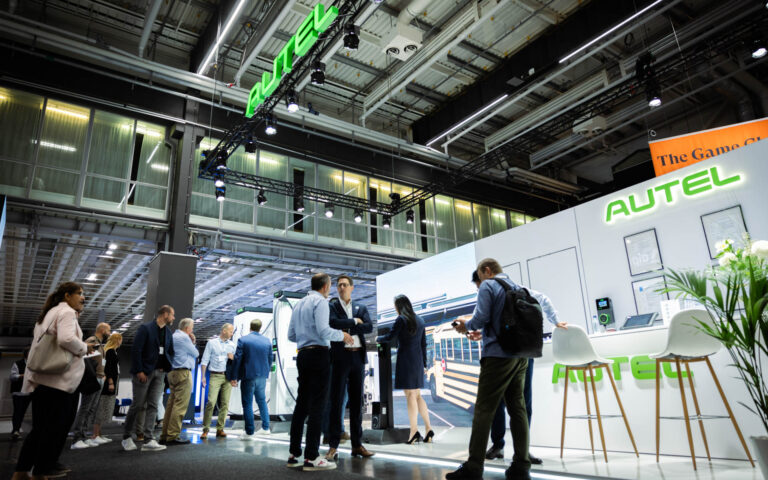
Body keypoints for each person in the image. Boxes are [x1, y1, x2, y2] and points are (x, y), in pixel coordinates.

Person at [448, 258, 548, 480]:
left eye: (479, 277)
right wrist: (483, 331)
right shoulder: (517, 287)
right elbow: (500, 321)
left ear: (486, 270)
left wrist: (466, 325)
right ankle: (521, 466)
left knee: (484, 409)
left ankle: (474, 468)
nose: (479, 284)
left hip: (497, 357)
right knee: (518, 409)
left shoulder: (489, 285)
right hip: (521, 356)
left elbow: (481, 317)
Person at [468, 271, 566, 464]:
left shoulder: (494, 290)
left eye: (479, 285)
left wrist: (555, 321)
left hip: (503, 355)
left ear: (485, 275)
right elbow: (542, 300)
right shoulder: (521, 291)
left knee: (498, 403)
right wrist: (555, 321)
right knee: (521, 403)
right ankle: (519, 453)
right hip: (524, 353)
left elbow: (481, 319)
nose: (480, 290)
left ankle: (502, 449)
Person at [13, 282, 96, 480]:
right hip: (60, 383)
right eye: (80, 293)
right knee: (55, 429)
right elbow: (66, 339)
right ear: (67, 295)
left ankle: (22, 472)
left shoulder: (48, 313)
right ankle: (43, 469)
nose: (83, 297)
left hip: (44, 382)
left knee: (39, 430)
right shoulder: (66, 312)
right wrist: (84, 347)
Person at [286, 272, 353, 471]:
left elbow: (291, 335)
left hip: (303, 355)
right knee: (318, 405)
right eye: (331, 285)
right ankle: (312, 457)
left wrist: (305, 336)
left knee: (302, 405)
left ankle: (293, 453)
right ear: (325, 286)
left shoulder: (299, 304)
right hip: (319, 355)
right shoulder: (321, 302)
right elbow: (324, 331)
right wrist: (342, 335)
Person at [325, 275, 375, 460]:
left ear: (352, 288)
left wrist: (347, 328)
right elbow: (332, 323)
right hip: (340, 357)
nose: (341, 288)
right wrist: (354, 322)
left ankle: (357, 445)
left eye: (345, 285)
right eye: (339, 285)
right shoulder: (332, 307)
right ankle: (333, 446)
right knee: (336, 402)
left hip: (358, 357)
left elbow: (369, 327)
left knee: (356, 403)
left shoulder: (361, 307)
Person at [376, 294, 433, 445]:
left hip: (406, 360)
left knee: (410, 395)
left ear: (399, 306)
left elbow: (391, 336)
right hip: (418, 361)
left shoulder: (401, 319)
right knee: (417, 395)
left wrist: (378, 339)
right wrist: (424, 364)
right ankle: (428, 429)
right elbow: (423, 344)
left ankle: (413, 432)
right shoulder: (420, 320)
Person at [121, 305, 175, 452]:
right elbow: (136, 350)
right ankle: (126, 437)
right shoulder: (145, 328)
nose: (173, 318)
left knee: (153, 405)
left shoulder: (168, 332)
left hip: (160, 373)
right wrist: (139, 370)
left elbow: (170, 351)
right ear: (165, 314)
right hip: (144, 373)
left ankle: (149, 439)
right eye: (172, 315)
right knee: (138, 405)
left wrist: (166, 365)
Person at [230, 318, 273, 440]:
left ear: (250, 327)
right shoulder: (267, 341)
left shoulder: (243, 340)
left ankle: (249, 432)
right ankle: (266, 428)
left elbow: (237, 359)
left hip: (248, 375)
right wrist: (265, 371)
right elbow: (270, 358)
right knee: (262, 401)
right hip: (262, 376)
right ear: (260, 328)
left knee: (247, 404)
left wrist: (234, 377)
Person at [71, 322, 111, 449]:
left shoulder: (100, 344)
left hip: (100, 378)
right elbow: (83, 359)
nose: (109, 333)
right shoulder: (91, 341)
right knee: (85, 408)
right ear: (102, 330)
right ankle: (77, 438)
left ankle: (84, 436)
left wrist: (103, 375)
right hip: (92, 379)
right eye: (108, 331)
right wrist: (93, 375)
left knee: (91, 409)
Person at [160, 317, 198, 445]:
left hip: (172, 372)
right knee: (180, 406)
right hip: (183, 373)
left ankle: (165, 434)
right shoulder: (184, 338)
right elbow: (196, 353)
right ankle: (173, 435)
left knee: (171, 405)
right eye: (192, 327)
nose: (192, 330)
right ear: (187, 328)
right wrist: (193, 341)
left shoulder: (173, 336)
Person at [200, 323, 236, 439]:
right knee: (211, 402)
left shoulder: (232, 345)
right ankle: (205, 429)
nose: (232, 334)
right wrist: (203, 377)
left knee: (225, 403)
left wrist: (234, 376)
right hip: (215, 375)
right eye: (230, 331)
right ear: (224, 331)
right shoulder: (212, 343)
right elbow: (204, 360)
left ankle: (220, 429)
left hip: (227, 377)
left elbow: (235, 363)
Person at [92, 333, 122, 444]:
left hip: (113, 381)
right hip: (108, 383)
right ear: (117, 340)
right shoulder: (109, 352)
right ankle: (95, 434)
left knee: (105, 409)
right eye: (120, 339)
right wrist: (110, 382)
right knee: (101, 408)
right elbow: (108, 369)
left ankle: (99, 433)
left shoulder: (113, 351)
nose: (121, 342)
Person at [10, 349, 31, 440]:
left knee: (22, 413)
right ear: (26, 354)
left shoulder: (34, 364)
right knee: (17, 412)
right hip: (18, 393)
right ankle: (15, 430)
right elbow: (12, 376)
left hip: (28, 392)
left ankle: (17, 430)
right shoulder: (17, 363)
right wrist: (22, 376)